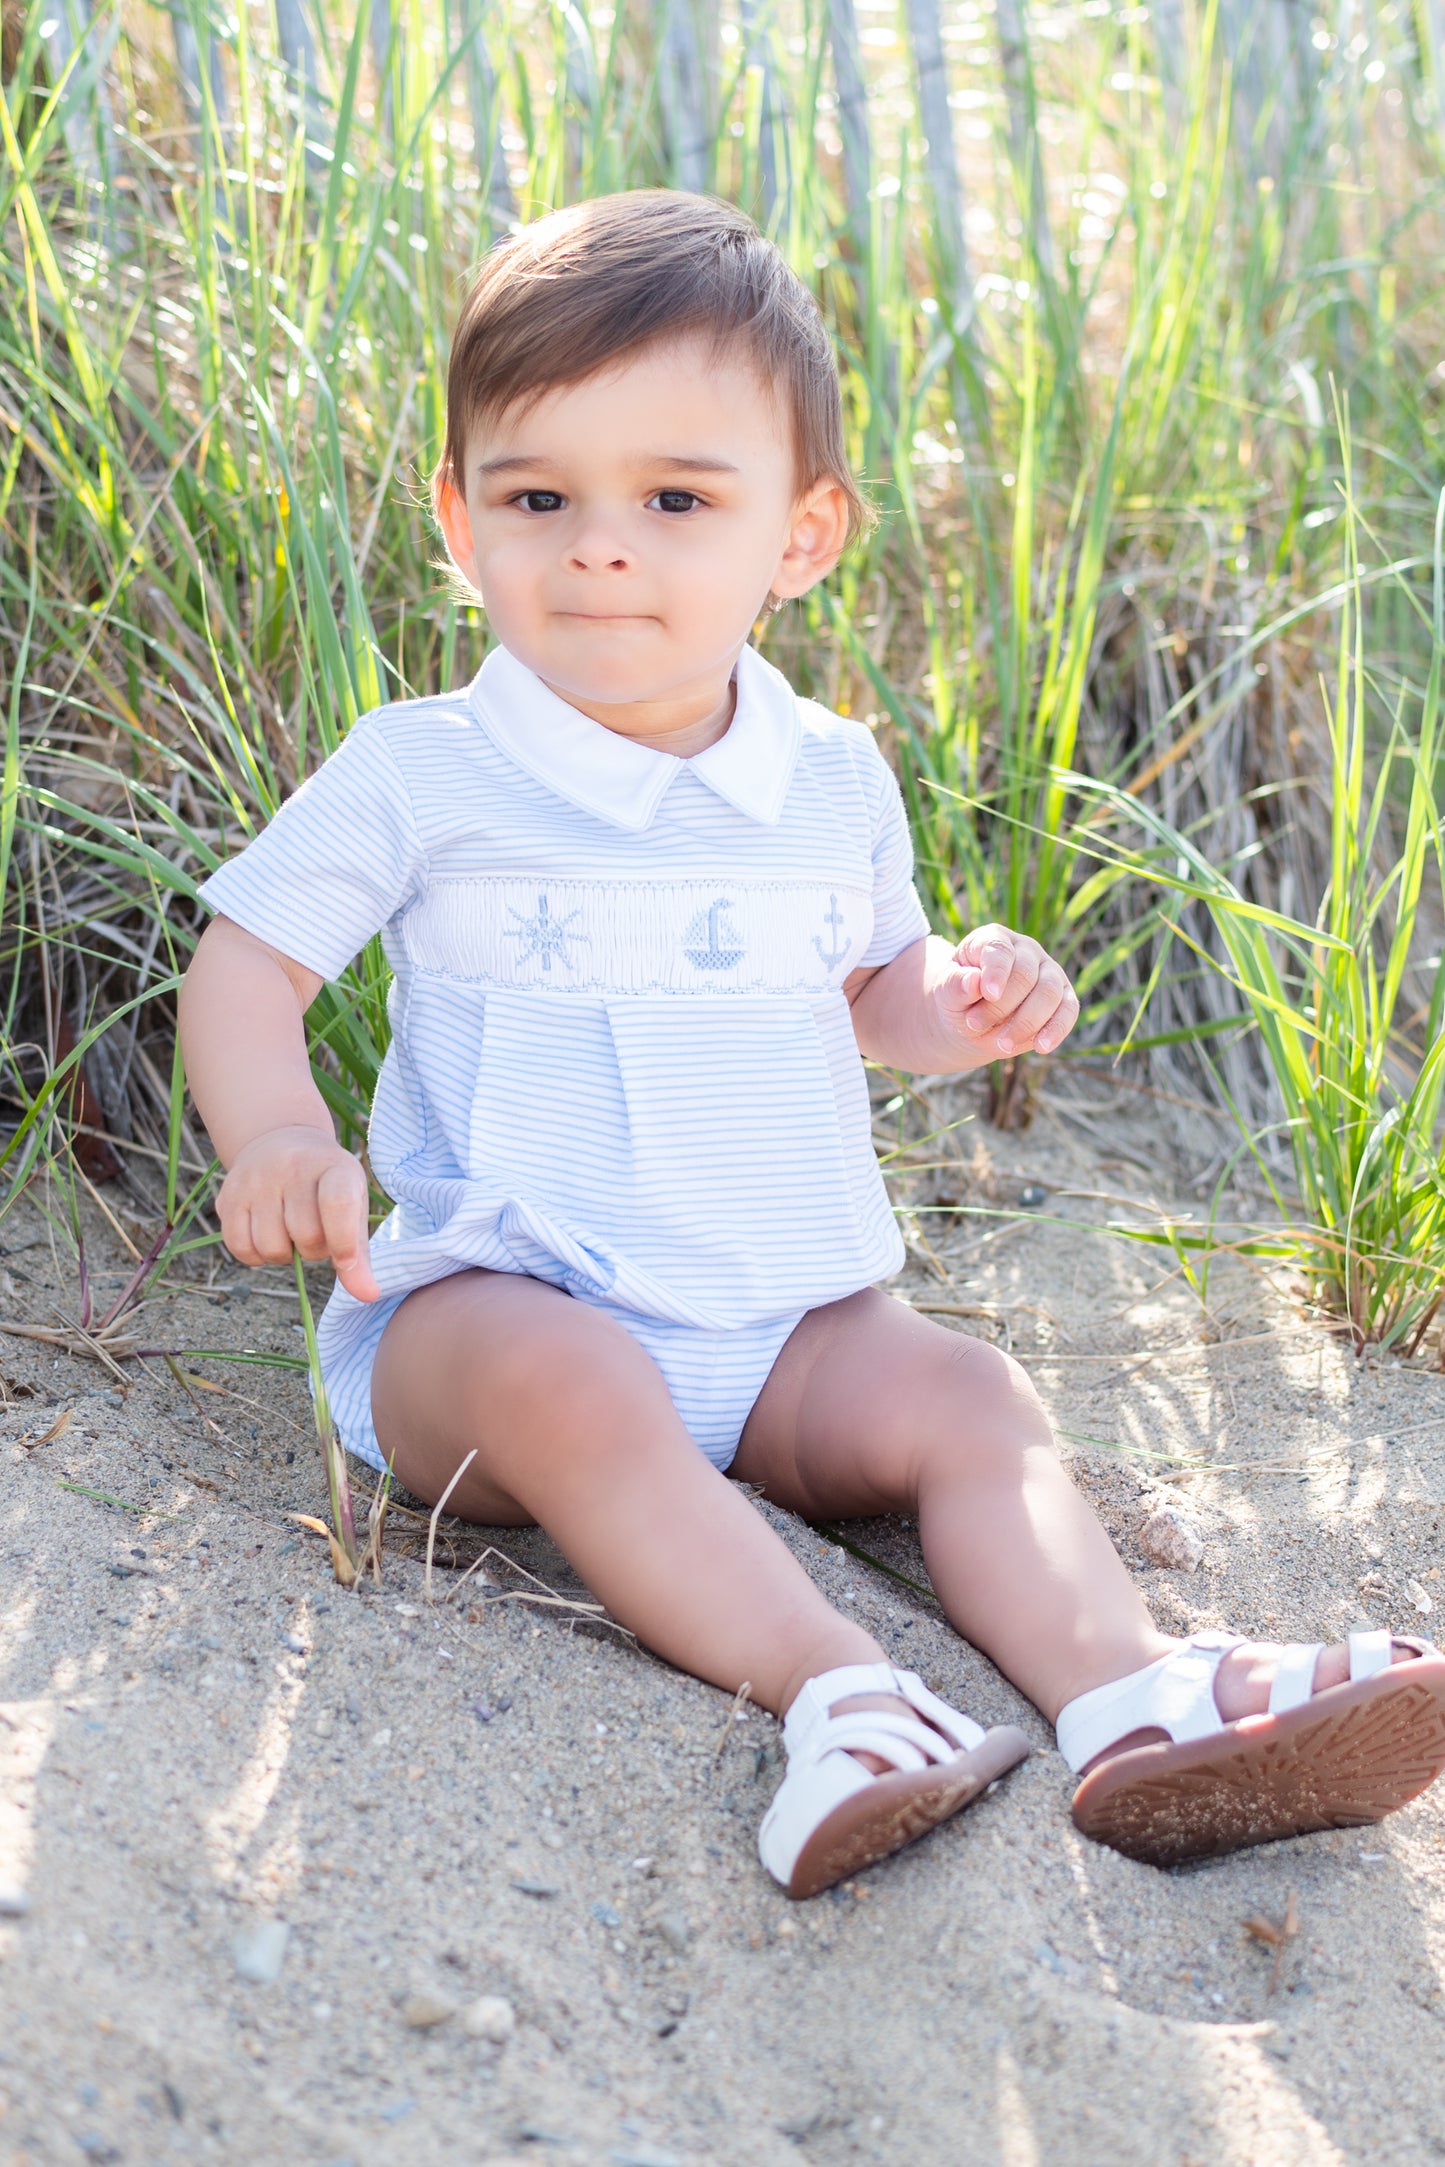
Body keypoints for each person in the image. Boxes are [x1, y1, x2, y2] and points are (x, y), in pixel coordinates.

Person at [179, 190, 1445, 1899]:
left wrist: (958, 998)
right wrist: (271, 1133)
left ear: (802, 534)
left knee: (962, 1393)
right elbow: (247, 962)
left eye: (676, 500)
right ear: (458, 524)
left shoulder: (826, 775)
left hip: (778, 1324)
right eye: (538, 496)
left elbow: (868, 997)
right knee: (565, 1380)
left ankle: (1126, 1691)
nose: (599, 545)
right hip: (489, 1316)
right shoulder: (428, 768)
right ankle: (835, 1693)